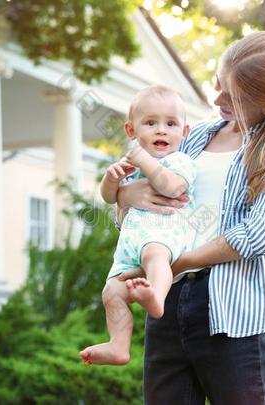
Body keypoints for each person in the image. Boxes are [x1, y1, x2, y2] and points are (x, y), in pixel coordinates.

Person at [115, 31, 265, 404]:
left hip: (234, 315)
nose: (216, 100)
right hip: (169, 301)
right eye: (217, 85)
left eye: (232, 96)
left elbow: (257, 236)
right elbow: (149, 199)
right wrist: (125, 195)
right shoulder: (195, 137)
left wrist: (177, 261)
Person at [79, 85, 196, 366]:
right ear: (131, 131)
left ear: (184, 131)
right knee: (112, 291)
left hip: (165, 233)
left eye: (171, 124)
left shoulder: (180, 161)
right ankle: (118, 345)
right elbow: (110, 198)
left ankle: (156, 296)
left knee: (155, 256)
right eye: (151, 123)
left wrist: (144, 161)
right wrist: (112, 179)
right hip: (130, 246)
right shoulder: (131, 165)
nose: (161, 130)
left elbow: (172, 187)